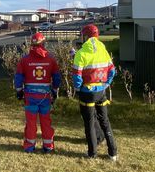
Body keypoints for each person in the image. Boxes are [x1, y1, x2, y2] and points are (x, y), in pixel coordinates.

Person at [72, 24, 117, 160]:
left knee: (90, 123)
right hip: (101, 91)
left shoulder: (81, 53)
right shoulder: (103, 50)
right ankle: (113, 153)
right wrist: (106, 84)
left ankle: (92, 153)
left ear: (85, 36)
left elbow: (76, 75)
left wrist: (78, 88)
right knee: (105, 121)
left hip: (87, 92)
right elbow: (112, 71)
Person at [15, 32, 61, 153]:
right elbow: (57, 78)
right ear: (44, 43)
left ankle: (29, 146)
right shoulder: (51, 59)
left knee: (31, 122)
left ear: (31, 44)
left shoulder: (24, 60)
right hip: (45, 97)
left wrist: (19, 91)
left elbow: (18, 77)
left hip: (30, 97)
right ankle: (48, 146)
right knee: (46, 121)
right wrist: (55, 90)